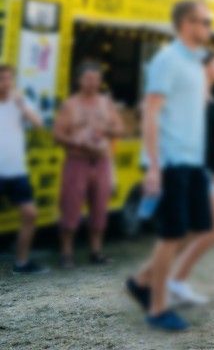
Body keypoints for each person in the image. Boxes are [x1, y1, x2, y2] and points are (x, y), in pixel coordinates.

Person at [126, 0, 214, 332]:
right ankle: (158, 308)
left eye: (208, 21)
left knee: (197, 227)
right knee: (171, 234)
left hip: (193, 162)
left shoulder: (196, 64)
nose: (207, 26)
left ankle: (142, 280)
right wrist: (153, 167)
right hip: (171, 162)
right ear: (183, 23)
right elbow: (151, 113)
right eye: (201, 21)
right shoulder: (167, 59)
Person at [167, 51, 214, 307]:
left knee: (197, 229)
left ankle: (164, 279)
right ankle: (171, 280)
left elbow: (213, 140)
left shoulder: (209, 97)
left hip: (206, 171)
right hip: (194, 170)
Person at [54, 61, 124, 267]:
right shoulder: (70, 104)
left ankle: (96, 251)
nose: (92, 83)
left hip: (101, 161)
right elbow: (58, 134)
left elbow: (119, 129)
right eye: (88, 79)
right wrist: (76, 140)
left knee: (100, 208)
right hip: (77, 161)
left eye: (96, 79)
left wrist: (106, 130)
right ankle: (66, 253)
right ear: (79, 80)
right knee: (71, 206)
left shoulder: (106, 103)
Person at [0, 63, 47, 274]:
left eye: (8, 78)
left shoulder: (19, 102)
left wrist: (22, 105)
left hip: (16, 170)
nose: (5, 82)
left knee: (30, 214)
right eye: (2, 78)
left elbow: (38, 124)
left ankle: (21, 263)